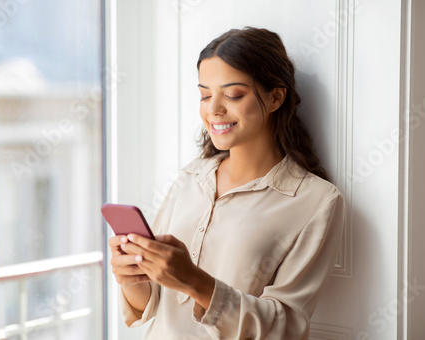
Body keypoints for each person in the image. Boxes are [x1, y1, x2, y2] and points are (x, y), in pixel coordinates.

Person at [108, 27, 345, 340]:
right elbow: (151, 303)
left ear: (275, 96)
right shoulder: (191, 177)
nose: (213, 109)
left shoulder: (316, 201)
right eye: (205, 95)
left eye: (233, 95)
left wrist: (196, 282)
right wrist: (132, 276)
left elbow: (286, 326)